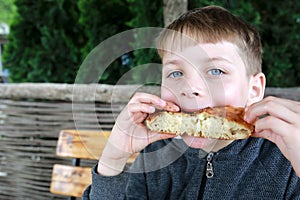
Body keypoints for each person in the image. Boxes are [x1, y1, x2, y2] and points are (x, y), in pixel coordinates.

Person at [83, 5, 300, 199]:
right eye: (176, 73)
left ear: (254, 90)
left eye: (216, 71)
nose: (190, 88)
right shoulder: (154, 157)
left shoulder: (287, 161)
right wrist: (113, 158)